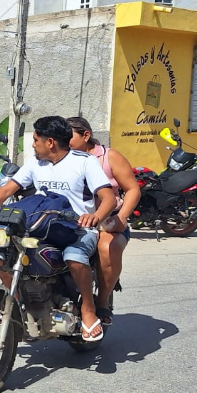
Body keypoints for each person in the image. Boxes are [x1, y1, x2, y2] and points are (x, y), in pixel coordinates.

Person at [0, 115, 117, 342]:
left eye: (36, 140)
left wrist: (94, 217)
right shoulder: (36, 164)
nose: (33, 144)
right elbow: (8, 190)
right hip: (40, 226)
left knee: (75, 257)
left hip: (77, 229)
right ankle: (17, 304)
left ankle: (88, 309)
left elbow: (108, 199)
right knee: (1, 254)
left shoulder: (84, 162)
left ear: (50, 142)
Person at [67, 116, 141, 328]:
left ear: (86, 136)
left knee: (107, 247)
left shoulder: (110, 157)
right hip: (72, 221)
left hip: (108, 221)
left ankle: (102, 302)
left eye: (68, 136)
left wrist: (121, 217)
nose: (64, 141)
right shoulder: (64, 158)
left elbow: (133, 189)